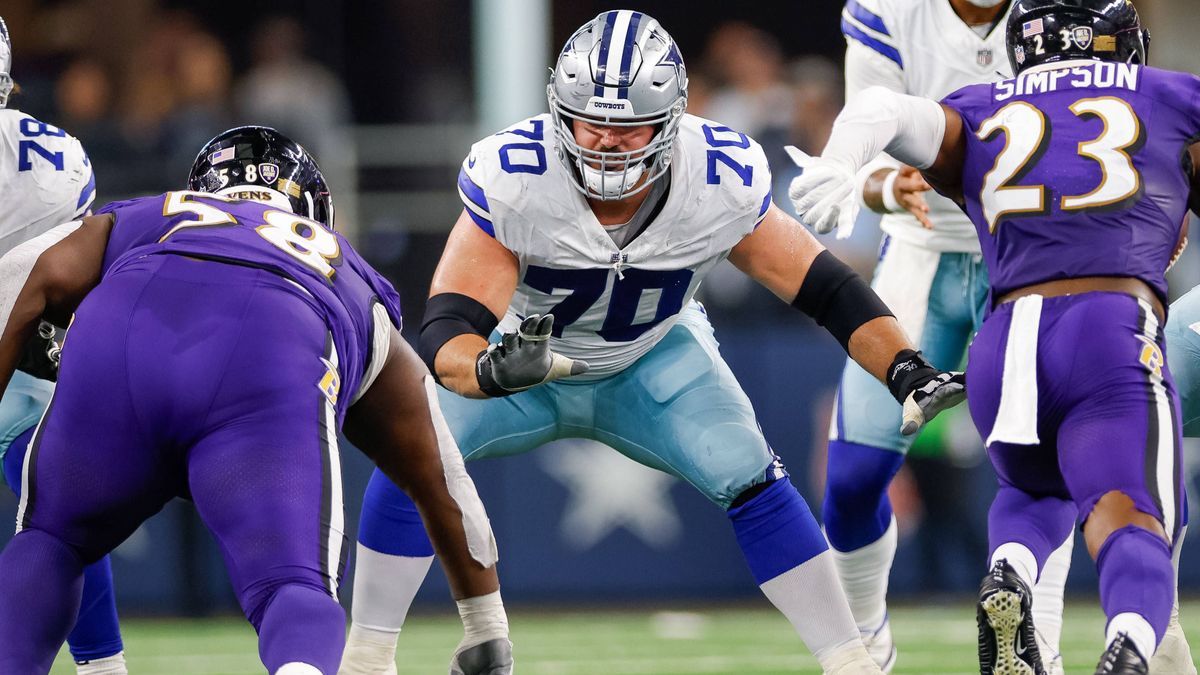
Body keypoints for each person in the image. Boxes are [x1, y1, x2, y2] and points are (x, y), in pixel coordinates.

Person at [340, 11, 964, 675]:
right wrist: (493, 368)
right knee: (414, 452)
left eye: (628, 124)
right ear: (560, 114)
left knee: (751, 472)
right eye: (591, 121)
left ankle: (851, 662)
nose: (607, 142)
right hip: (522, 364)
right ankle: (367, 657)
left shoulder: (716, 174)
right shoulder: (517, 174)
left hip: (652, 360)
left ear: (669, 122)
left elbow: (826, 289)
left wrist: (904, 365)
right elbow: (446, 331)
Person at [0, 126, 513, 675]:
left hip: (125, 330)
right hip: (270, 350)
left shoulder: (155, 213)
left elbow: (22, 273)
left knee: (51, 540)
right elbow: (441, 475)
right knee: (292, 588)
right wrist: (485, 624)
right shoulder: (348, 270)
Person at [789, 0, 1199, 671]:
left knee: (1030, 490)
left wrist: (838, 161)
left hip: (1010, 314)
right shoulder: (1168, 92)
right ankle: (1133, 637)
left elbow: (880, 112)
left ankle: (1027, 607)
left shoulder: (979, 105)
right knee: (1128, 508)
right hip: (1080, 309)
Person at [0, 16, 130, 675]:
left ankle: (103, 667)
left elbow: (60, 288)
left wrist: (57, 329)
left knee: (62, 489)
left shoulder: (45, 171)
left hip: (11, 351)